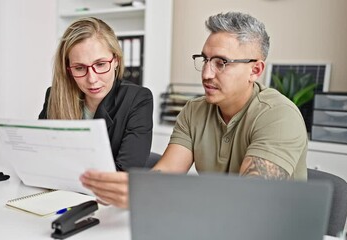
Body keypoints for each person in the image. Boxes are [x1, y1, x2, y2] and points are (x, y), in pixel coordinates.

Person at [80, 12, 309, 209]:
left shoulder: (279, 115)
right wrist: (132, 189)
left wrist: (153, 194)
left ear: (255, 70)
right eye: (205, 59)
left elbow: (250, 199)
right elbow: (166, 173)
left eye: (221, 63)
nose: (206, 73)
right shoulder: (194, 110)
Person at [39, 17, 153, 171]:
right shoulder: (55, 95)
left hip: (103, 194)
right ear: (68, 69)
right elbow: (40, 158)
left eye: (100, 64)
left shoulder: (137, 99)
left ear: (116, 60)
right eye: (79, 68)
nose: (92, 79)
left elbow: (125, 174)